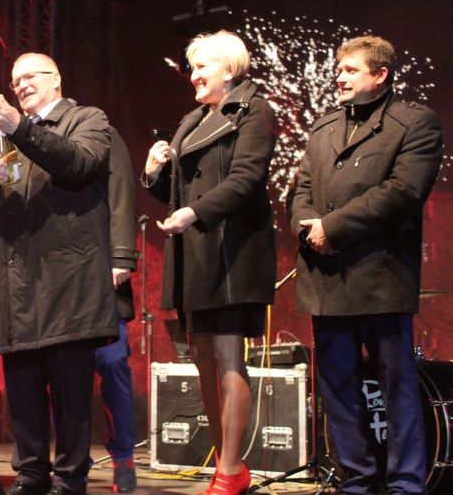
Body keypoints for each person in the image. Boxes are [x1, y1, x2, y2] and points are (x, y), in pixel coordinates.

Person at [288, 35, 442, 495]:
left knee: (396, 387)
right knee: (338, 387)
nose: (339, 77)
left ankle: (405, 484)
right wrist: (307, 229)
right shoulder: (324, 127)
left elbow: (402, 192)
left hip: (380, 276)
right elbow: (300, 190)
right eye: (338, 69)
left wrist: (332, 229)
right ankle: (356, 481)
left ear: (381, 74)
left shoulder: (414, 122)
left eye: (350, 70)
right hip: (325, 277)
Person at [143, 30, 276, 495]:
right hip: (196, 254)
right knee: (202, 359)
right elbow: (180, 191)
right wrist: (154, 172)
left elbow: (246, 179)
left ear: (230, 69)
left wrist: (195, 212)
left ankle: (230, 470)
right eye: (193, 67)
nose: (194, 75)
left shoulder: (253, 110)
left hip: (232, 252)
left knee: (226, 356)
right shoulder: (192, 120)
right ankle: (227, 466)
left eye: (202, 66)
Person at [0, 52, 117, 495]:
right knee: (22, 387)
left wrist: (20, 128)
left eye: (29, 77)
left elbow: (78, 164)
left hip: (68, 281)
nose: (20, 85)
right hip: (19, 281)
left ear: (55, 79)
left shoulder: (88, 119)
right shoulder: (10, 135)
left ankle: (70, 479)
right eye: (14, 80)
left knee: (70, 392)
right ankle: (31, 473)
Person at [95, 126, 140, 494]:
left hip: (102, 275)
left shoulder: (103, 132)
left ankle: (124, 457)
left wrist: (122, 255)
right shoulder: (26, 136)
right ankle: (67, 461)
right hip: (57, 282)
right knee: (61, 375)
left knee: (112, 366)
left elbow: (122, 190)